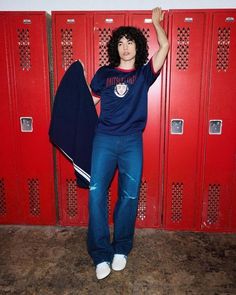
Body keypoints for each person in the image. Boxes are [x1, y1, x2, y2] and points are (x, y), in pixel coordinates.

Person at [87, 7, 169, 280]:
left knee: (129, 196)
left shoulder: (144, 75)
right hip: (105, 140)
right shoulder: (104, 74)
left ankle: (121, 248)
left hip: (132, 141)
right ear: (115, 47)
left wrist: (156, 22)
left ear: (138, 46)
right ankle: (100, 254)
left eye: (129, 42)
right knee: (96, 194)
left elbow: (166, 46)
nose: (124, 47)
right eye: (120, 43)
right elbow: (89, 104)